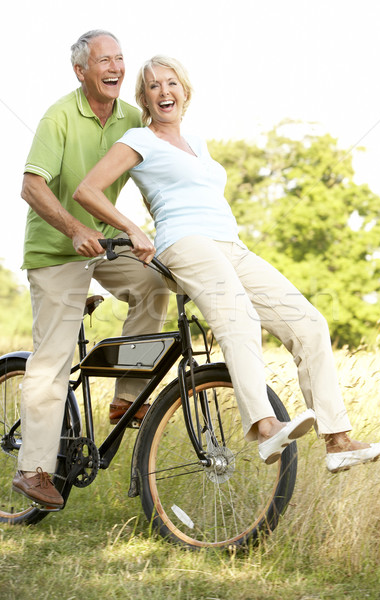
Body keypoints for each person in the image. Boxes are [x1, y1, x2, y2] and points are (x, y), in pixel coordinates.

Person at [74, 55, 380, 473]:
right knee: (238, 316)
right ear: (145, 99)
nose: (163, 91)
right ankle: (265, 428)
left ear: (185, 92)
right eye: (153, 86)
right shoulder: (140, 139)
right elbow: (88, 190)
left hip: (230, 245)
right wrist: (134, 229)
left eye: (171, 83)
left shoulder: (200, 146)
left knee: (310, 322)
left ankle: (338, 441)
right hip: (184, 243)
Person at [12, 35, 169, 509]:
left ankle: (126, 396)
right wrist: (74, 226)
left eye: (120, 58)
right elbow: (30, 185)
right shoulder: (59, 116)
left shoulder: (129, 117)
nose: (116, 67)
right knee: (54, 360)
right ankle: (34, 469)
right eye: (105, 60)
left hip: (105, 246)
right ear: (81, 71)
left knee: (155, 284)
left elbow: (151, 171)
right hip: (56, 251)